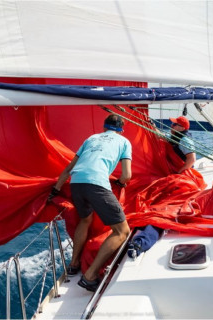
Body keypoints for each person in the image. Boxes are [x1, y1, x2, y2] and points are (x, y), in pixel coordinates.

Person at [49, 114, 132, 292]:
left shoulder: (91, 138)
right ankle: (90, 276)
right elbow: (126, 175)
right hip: (97, 185)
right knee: (122, 231)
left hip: (76, 183)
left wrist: (55, 190)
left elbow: (69, 169)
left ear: (104, 127)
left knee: (85, 220)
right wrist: (120, 183)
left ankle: (73, 264)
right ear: (121, 130)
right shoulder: (124, 142)